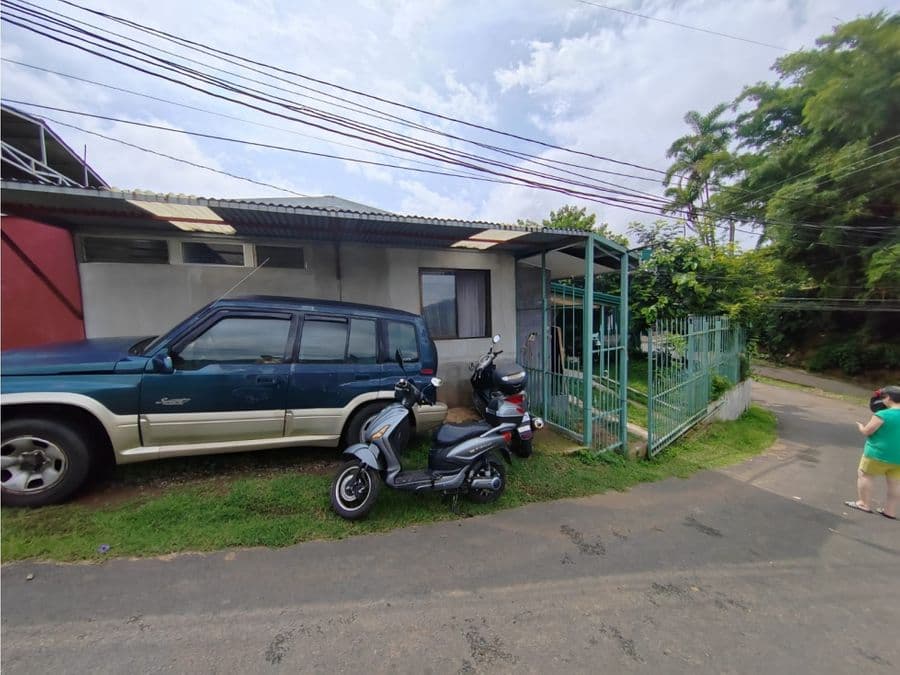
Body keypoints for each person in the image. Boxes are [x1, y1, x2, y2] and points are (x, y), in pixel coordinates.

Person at [845, 385, 900, 519]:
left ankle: (864, 503)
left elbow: (868, 431)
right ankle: (890, 511)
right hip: (898, 458)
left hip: (877, 453)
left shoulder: (882, 414)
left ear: (888, 398)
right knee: (895, 484)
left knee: (865, 475)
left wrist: (861, 427)